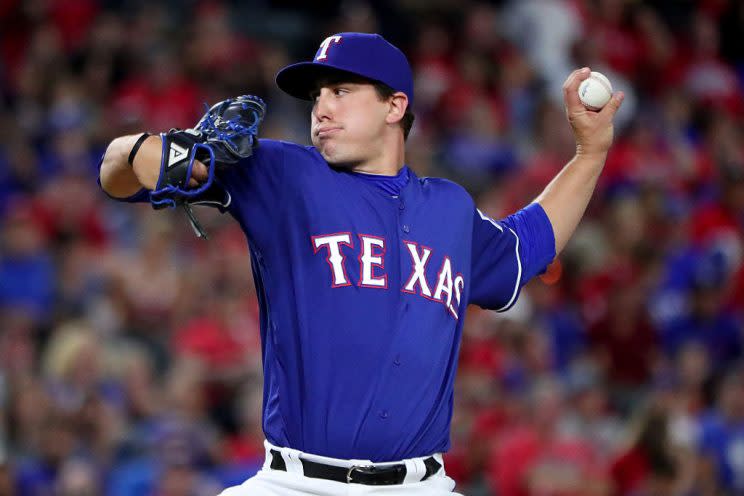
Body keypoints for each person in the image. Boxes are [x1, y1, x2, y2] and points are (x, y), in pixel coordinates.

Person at [98, 32, 623, 496]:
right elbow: (117, 171)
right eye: (317, 96)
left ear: (394, 106)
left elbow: (526, 246)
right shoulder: (284, 174)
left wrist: (590, 154)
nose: (321, 108)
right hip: (293, 483)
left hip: (422, 486)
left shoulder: (450, 208)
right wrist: (155, 153)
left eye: (341, 91)